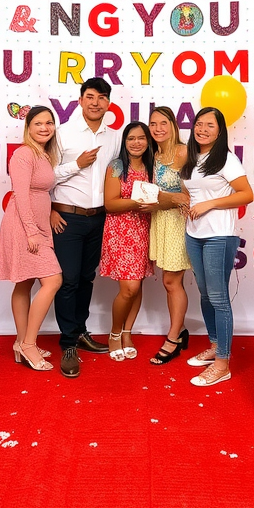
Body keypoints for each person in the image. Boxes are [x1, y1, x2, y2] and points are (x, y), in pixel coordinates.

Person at [51, 77, 122, 378]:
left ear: (108, 103)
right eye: (89, 96)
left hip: (99, 218)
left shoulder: (115, 137)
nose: (95, 103)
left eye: (101, 98)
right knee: (67, 281)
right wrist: (76, 164)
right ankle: (67, 343)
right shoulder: (62, 134)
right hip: (66, 217)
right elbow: (44, 176)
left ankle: (80, 331)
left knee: (86, 278)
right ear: (80, 100)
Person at [181, 107, 254, 387]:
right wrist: (186, 203)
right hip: (194, 233)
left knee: (219, 297)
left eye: (209, 125)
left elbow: (246, 194)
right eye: (199, 124)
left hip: (219, 235)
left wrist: (209, 204)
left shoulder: (226, 159)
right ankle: (214, 345)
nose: (202, 129)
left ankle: (223, 363)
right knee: (204, 294)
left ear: (220, 131)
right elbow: (193, 189)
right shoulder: (193, 158)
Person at [0, 106, 63, 372]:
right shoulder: (23, 154)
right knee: (53, 280)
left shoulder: (44, 154)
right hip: (23, 226)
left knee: (24, 284)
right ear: (28, 127)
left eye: (49, 123)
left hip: (38, 224)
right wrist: (32, 230)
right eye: (38, 123)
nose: (44, 128)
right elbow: (21, 195)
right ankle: (29, 344)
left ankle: (19, 342)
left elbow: (41, 193)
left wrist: (50, 213)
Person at [100, 123, 157, 360]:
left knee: (138, 284)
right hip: (120, 232)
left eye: (141, 138)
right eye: (131, 138)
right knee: (129, 288)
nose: (136, 143)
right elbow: (110, 204)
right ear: (124, 142)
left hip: (143, 230)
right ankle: (114, 333)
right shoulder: (116, 166)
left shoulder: (153, 166)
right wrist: (137, 201)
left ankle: (127, 332)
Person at [148, 107, 191, 365]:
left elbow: (188, 196)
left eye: (163, 123)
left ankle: (173, 338)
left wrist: (162, 200)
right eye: (153, 124)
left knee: (172, 282)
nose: (158, 128)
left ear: (173, 125)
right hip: (159, 220)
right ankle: (181, 329)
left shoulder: (183, 152)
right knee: (169, 281)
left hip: (177, 222)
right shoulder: (155, 154)